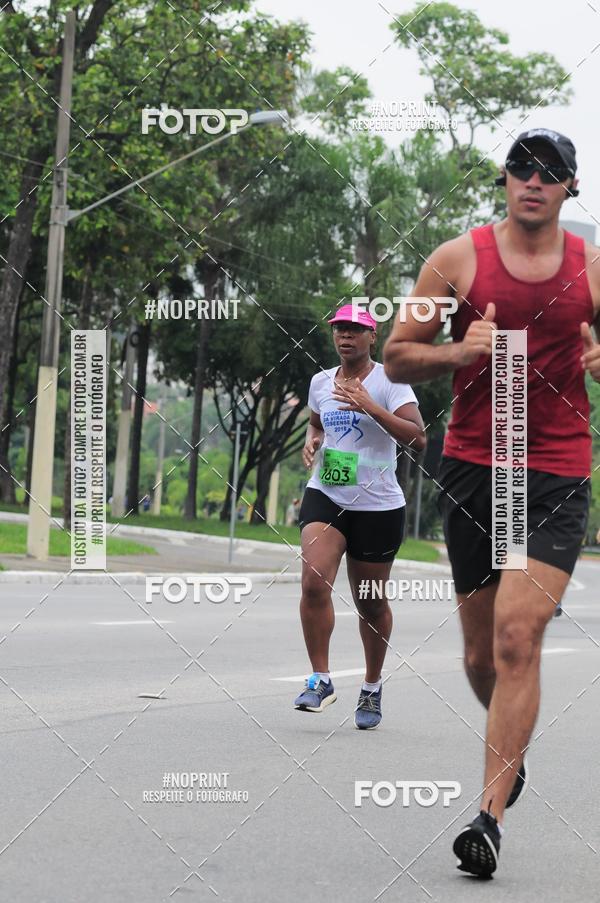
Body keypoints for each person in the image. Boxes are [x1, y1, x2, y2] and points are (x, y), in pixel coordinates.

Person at [383, 128, 600, 877]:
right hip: (477, 466)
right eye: (520, 167)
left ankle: (488, 816)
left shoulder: (593, 268)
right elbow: (395, 353)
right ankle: (511, 755)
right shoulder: (457, 259)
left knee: (516, 638)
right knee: (480, 653)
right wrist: (457, 352)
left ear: (570, 188)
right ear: (504, 180)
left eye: (550, 172)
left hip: (557, 473)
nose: (532, 180)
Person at [293, 304, 426, 729]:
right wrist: (312, 442)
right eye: (339, 330)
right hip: (327, 493)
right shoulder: (320, 381)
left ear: (373, 336)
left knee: (370, 600)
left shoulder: (391, 381)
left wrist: (370, 407)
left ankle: (371, 686)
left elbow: (418, 438)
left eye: (355, 330)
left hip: (378, 505)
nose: (345, 337)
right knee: (314, 581)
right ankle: (321, 678)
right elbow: (317, 424)